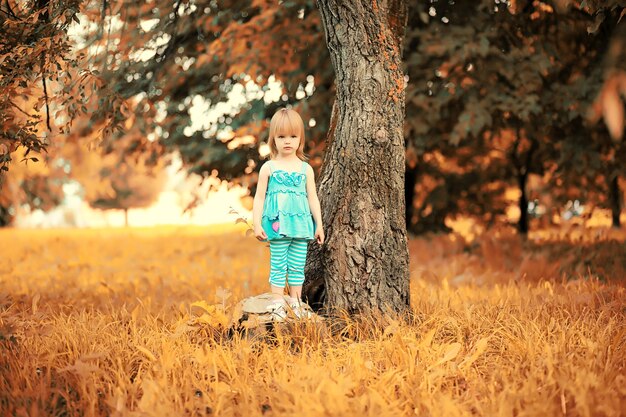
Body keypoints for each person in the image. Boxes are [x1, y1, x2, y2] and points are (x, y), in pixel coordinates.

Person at [252, 108, 324, 316]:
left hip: (301, 225)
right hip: (277, 224)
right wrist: (256, 223)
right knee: (278, 263)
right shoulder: (269, 168)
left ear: (300, 138)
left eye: (293, 136)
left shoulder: (305, 169)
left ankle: (295, 301)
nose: (287, 141)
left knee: (296, 264)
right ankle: (276, 302)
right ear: (273, 139)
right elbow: (259, 198)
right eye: (281, 136)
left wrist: (318, 224)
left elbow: (313, 198)